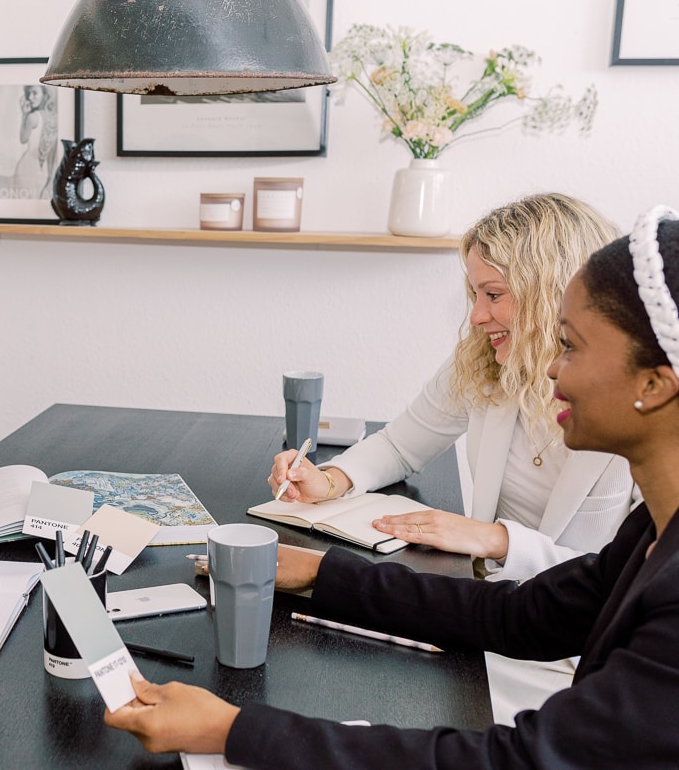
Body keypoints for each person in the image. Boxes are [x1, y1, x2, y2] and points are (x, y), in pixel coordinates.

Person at [106, 207, 679, 767]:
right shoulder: (649, 533)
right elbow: (519, 616)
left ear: (654, 384)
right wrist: (318, 573)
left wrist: (234, 730)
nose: (555, 368)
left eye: (571, 346)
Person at [268, 193, 635, 722]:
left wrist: (497, 539)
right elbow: (400, 442)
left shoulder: (638, 410)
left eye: (493, 293)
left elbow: (627, 582)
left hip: (574, 650)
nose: (477, 314)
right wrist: (330, 478)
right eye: (473, 293)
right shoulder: (485, 361)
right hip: (490, 615)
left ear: (555, 293)